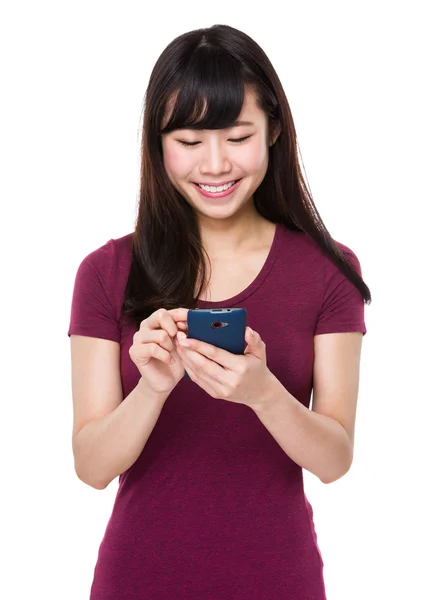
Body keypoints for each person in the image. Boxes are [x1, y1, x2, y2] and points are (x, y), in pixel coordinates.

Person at [68, 23, 371, 600]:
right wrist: (152, 388)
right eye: (188, 141)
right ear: (158, 143)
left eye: (237, 137)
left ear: (273, 131)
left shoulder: (328, 271)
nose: (214, 165)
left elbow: (335, 460)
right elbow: (91, 466)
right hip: (139, 578)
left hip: (278, 580)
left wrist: (263, 392)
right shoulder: (105, 272)